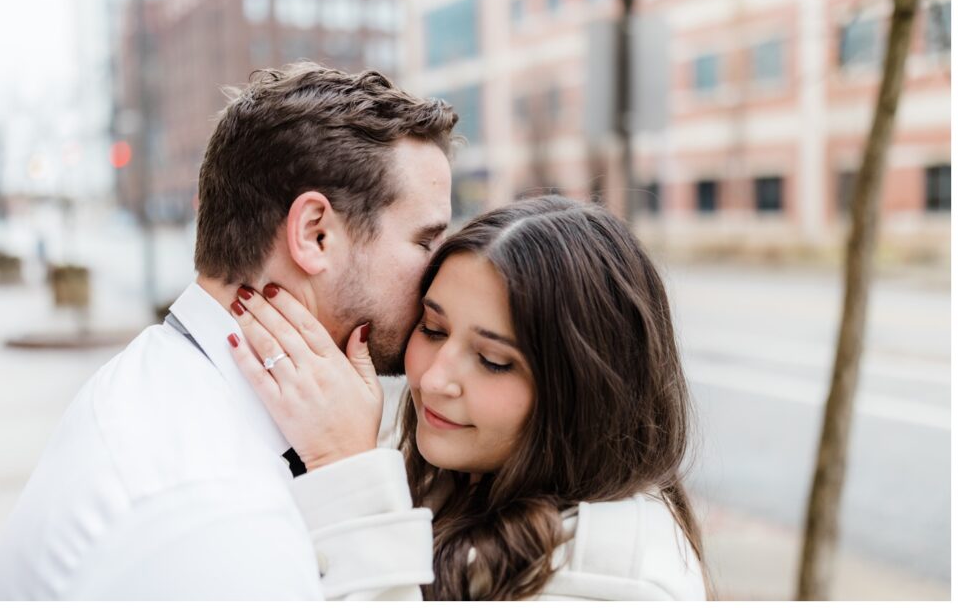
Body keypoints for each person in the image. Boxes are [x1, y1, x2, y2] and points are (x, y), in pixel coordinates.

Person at [0, 63, 457, 600]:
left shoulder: (169, 385)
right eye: (425, 242)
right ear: (315, 234)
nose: (441, 274)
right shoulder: (218, 508)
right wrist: (356, 479)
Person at [227, 195, 711, 600]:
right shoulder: (442, 470)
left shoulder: (622, 579)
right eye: (433, 329)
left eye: (494, 360)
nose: (435, 380)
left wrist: (345, 468)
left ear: (587, 388)